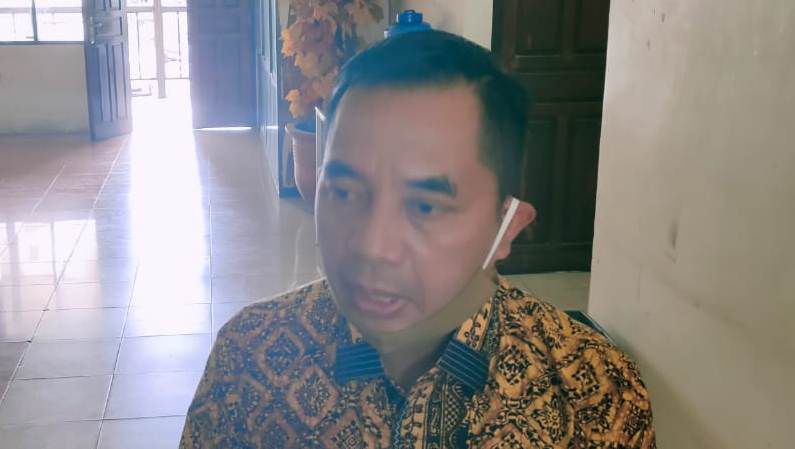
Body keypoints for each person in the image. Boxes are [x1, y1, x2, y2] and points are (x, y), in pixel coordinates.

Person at [180, 30, 656, 449]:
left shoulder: (594, 393)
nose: (372, 247)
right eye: (344, 192)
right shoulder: (249, 360)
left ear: (507, 226)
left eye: (426, 207)